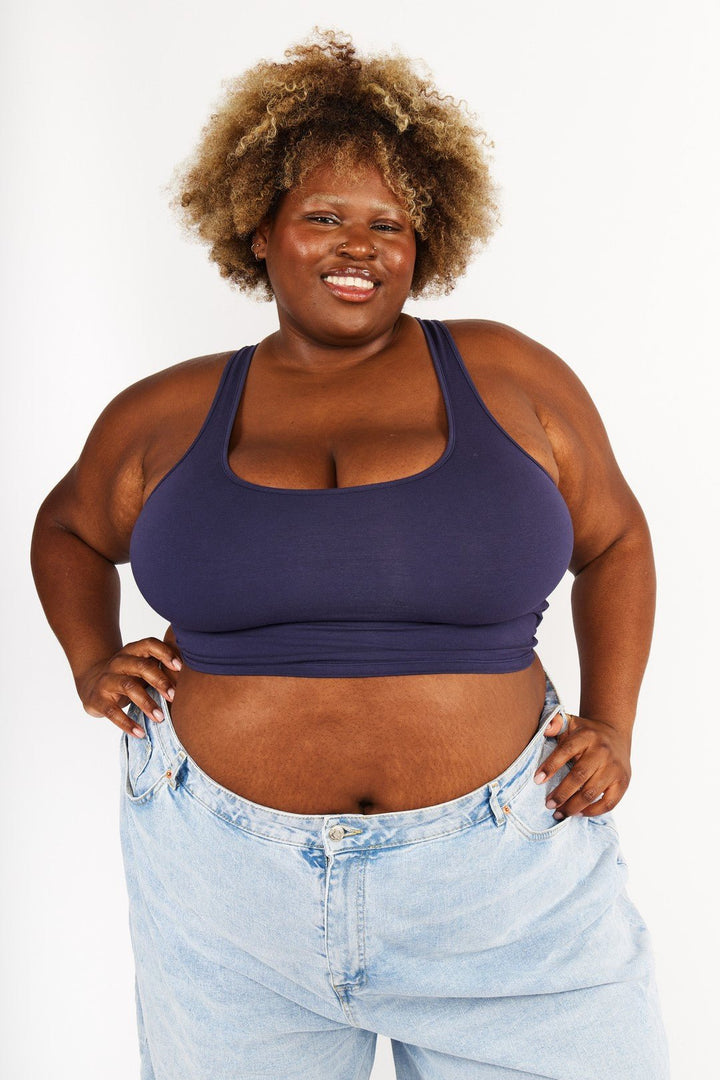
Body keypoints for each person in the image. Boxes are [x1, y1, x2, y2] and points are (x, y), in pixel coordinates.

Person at [31, 29, 671, 1080]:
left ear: (427, 240)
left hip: (508, 894)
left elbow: (617, 540)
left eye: (389, 223)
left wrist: (615, 722)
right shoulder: (168, 411)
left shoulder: (511, 376)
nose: (359, 245)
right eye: (323, 216)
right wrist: (90, 658)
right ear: (259, 229)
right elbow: (66, 530)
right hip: (223, 897)